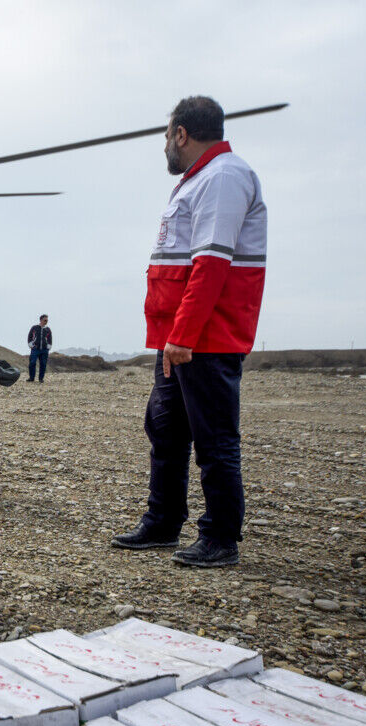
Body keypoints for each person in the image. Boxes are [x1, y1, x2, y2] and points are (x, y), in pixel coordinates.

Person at [111, 96, 267, 568]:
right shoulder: (196, 181)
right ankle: (163, 521)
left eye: (166, 138)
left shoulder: (223, 177)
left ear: (181, 133)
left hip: (204, 337)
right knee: (165, 427)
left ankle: (220, 538)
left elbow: (212, 265)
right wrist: (170, 336)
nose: (165, 147)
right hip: (177, 335)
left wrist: (184, 335)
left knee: (214, 438)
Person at [27, 315, 51, 382]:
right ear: (41, 320)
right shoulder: (34, 328)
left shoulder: (48, 329)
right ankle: (31, 378)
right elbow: (30, 336)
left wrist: (48, 347)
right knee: (32, 363)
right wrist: (31, 345)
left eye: (47, 320)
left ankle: (41, 379)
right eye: (45, 320)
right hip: (35, 349)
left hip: (44, 350)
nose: (46, 321)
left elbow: (50, 339)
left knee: (43, 364)